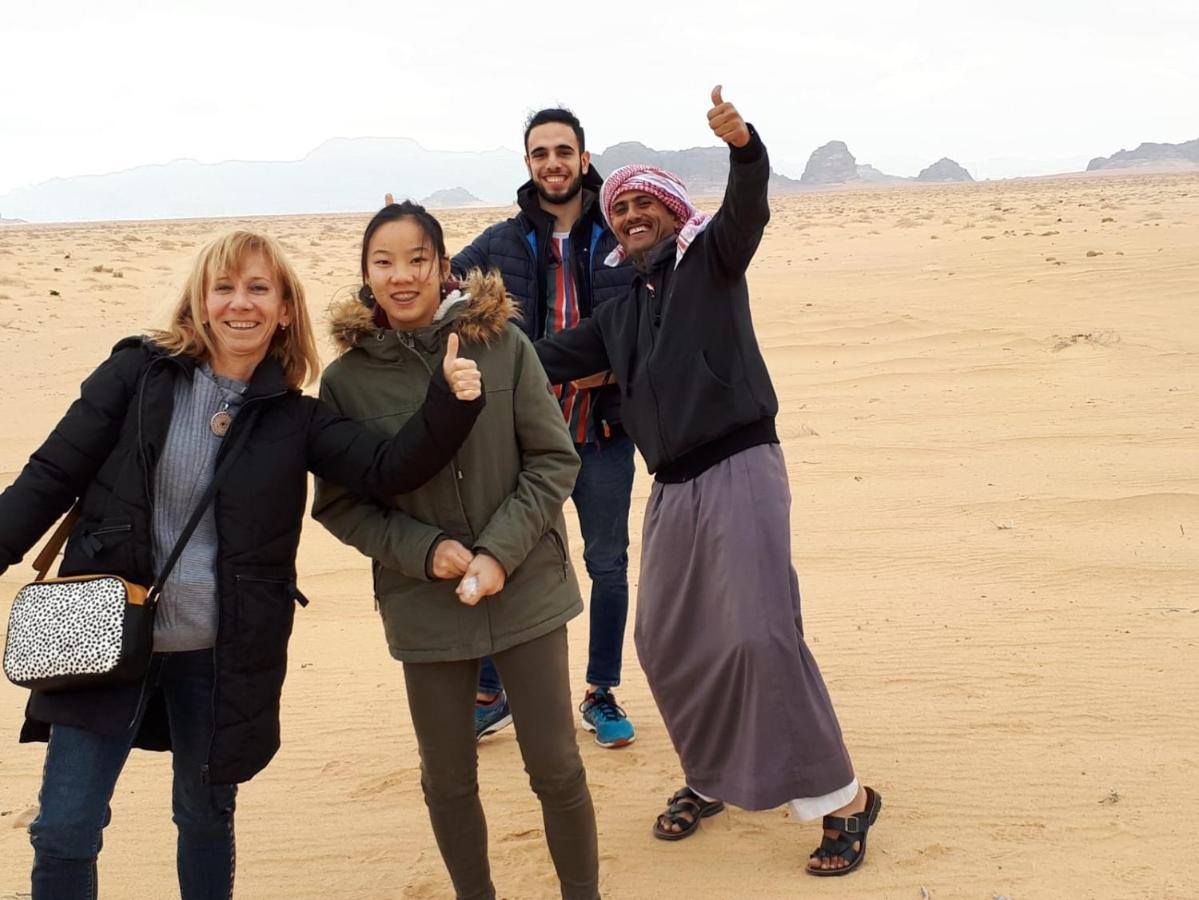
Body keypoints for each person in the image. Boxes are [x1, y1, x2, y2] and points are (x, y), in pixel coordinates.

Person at [0, 229, 484, 899]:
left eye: (259, 289)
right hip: (101, 631)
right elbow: (50, 476)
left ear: (285, 309)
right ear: (199, 301)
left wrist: (450, 401)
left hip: (221, 654)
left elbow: (386, 468)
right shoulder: (135, 376)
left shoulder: (295, 420)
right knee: (64, 830)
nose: (240, 304)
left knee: (203, 818)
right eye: (224, 287)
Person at [533, 87, 883, 876]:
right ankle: (710, 775)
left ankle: (845, 801)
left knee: (760, 635)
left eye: (644, 207)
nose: (629, 218)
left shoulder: (711, 265)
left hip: (740, 467)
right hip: (671, 490)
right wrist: (454, 324)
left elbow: (746, 211)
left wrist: (744, 146)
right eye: (618, 212)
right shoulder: (619, 314)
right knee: (664, 643)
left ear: (671, 212)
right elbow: (539, 357)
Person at [312, 201, 600, 899]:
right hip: (424, 600)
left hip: (525, 580)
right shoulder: (346, 381)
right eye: (384, 262)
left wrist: (498, 551)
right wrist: (426, 549)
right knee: (446, 777)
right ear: (366, 275)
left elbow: (553, 461)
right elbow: (341, 504)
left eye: (417, 260)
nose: (402, 275)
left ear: (444, 267)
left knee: (555, 767)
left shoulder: (501, 345)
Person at [447, 107, 638, 747]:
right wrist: (402, 246)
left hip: (602, 434)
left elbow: (657, 314)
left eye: (564, 151)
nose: (552, 162)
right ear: (528, 164)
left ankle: (601, 691)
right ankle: (490, 690)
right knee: (508, 554)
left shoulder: (621, 232)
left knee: (607, 565)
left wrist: (613, 371)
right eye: (539, 153)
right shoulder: (502, 242)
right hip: (523, 441)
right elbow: (442, 285)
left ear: (584, 159)